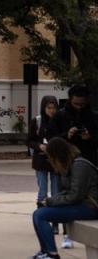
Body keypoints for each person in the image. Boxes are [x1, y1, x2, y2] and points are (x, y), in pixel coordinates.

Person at [29, 137, 98, 259]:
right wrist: (48, 201)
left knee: (41, 215)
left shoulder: (79, 165)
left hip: (90, 207)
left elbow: (75, 195)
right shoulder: (68, 165)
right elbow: (66, 192)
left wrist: (51, 201)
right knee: (38, 213)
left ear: (57, 155)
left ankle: (52, 254)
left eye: (50, 157)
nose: (49, 161)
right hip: (81, 204)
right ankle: (45, 251)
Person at [28, 95, 69, 246]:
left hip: (56, 162)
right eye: (49, 108)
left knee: (57, 191)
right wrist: (40, 146)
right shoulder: (37, 121)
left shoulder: (60, 120)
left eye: (54, 108)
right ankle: (42, 219)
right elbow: (29, 140)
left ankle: (56, 222)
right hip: (41, 161)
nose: (51, 111)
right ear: (44, 108)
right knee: (42, 190)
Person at [55, 85, 98, 165]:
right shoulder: (60, 115)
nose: (79, 107)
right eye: (76, 104)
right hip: (66, 160)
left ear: (87, 101)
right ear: (70, 99)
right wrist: (66, 135)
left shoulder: (94, 116)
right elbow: (51, 137)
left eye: (82, 104)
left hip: (89, 160)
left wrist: (90, 137)